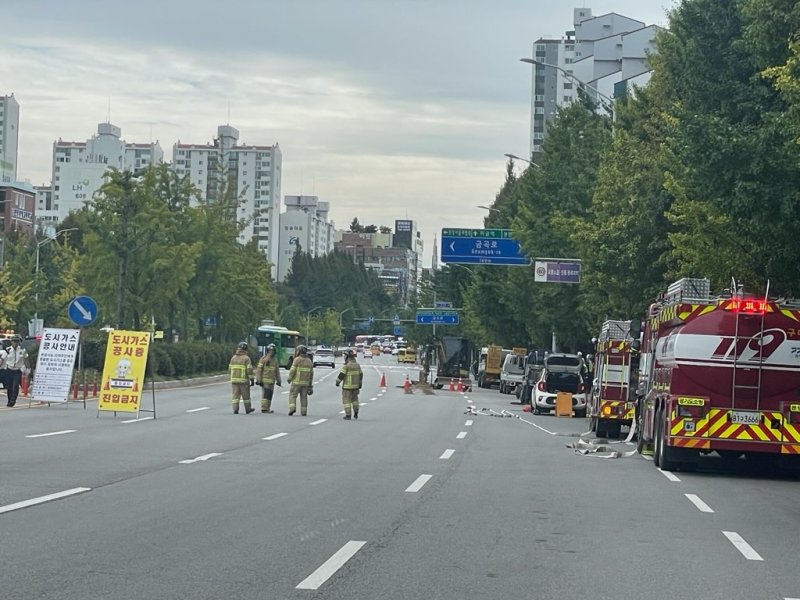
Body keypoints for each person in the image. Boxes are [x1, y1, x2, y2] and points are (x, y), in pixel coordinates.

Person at [1, 336, 29, 407]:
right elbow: (2, 359)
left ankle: (13, 400)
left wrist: (28, 368)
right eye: (14, 341)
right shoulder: (8, 350)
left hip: (17, 370)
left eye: (16, 341)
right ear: (11, 342)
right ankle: (9, 400)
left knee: (15, 385)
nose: (15, 343)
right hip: (9, 370)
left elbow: (26, 359)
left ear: (19, 342)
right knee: (9, 387)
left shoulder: (22, 350)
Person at [335, 348, 363, 420]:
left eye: (345, 356)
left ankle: (348, 414)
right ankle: (356, 412)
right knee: (355, 400)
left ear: (347, 357)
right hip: (356, 387)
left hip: (347, 387)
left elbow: (341, 375)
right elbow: (361, 375)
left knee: (346, 400)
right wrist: (360, 384)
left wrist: (337, 382)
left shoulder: (347, 366)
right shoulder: (357, 365)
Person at [229, 342, 255, 414]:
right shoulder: (246, 358)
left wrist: (232, 376)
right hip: (244, 380)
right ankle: (248, 409)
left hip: (234, 380)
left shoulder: (233, 358)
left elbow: (229, 369)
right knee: (246, 396)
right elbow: (249, 369)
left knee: (235, 396)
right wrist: (252, 379)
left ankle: (235, 409)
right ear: (246, 349)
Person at [254, 343, 282, 413]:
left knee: (270, 394)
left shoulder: (275, 361)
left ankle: (268, 408)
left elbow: (277, 372)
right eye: (270, 351)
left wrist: (279, 381)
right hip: (265, 380)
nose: (271, 353)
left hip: (272, 381)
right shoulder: (263, 359)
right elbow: (259, 370)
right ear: (267, 351)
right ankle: (264, 408)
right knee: (265, 394)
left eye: (272, 351)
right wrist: (259, 380)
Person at [287, 345, 313, 416]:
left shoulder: (297, 360)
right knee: (304, 397)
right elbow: (311, 375)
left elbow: (292, 370)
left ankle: (292, 408)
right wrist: (310, 386)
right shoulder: (309, 361)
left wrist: (289, 378)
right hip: (305, 384)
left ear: (299, 351)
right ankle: (304, 412)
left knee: (292, 395)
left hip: (296, 382)